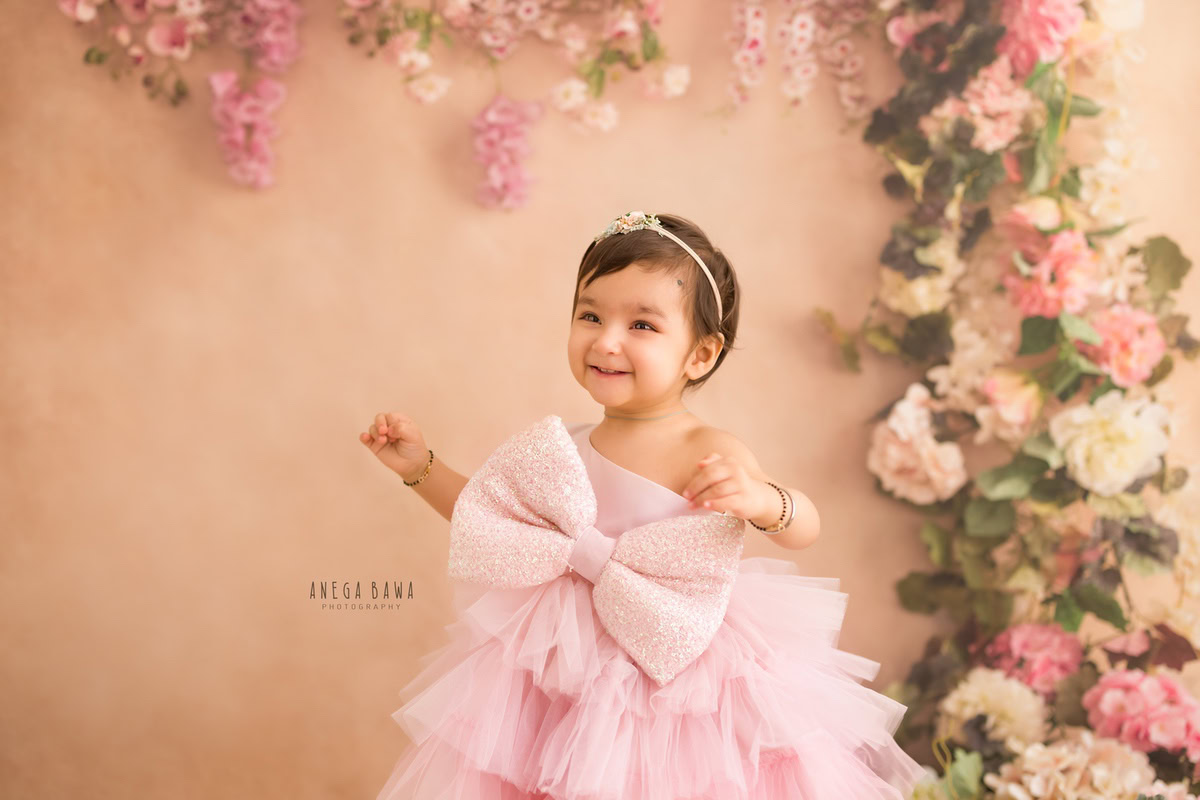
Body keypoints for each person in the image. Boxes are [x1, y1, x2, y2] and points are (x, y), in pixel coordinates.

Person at [359, 211, 929, 799]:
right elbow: (494, 522)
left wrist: (762, 500)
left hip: (677, 676)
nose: (606, 340)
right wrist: (419, 467)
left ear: (701, 355)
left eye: (642, 325)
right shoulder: (565, 449)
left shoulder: (704, 448)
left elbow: (803, 527)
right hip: (555, 665)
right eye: (590, 315)